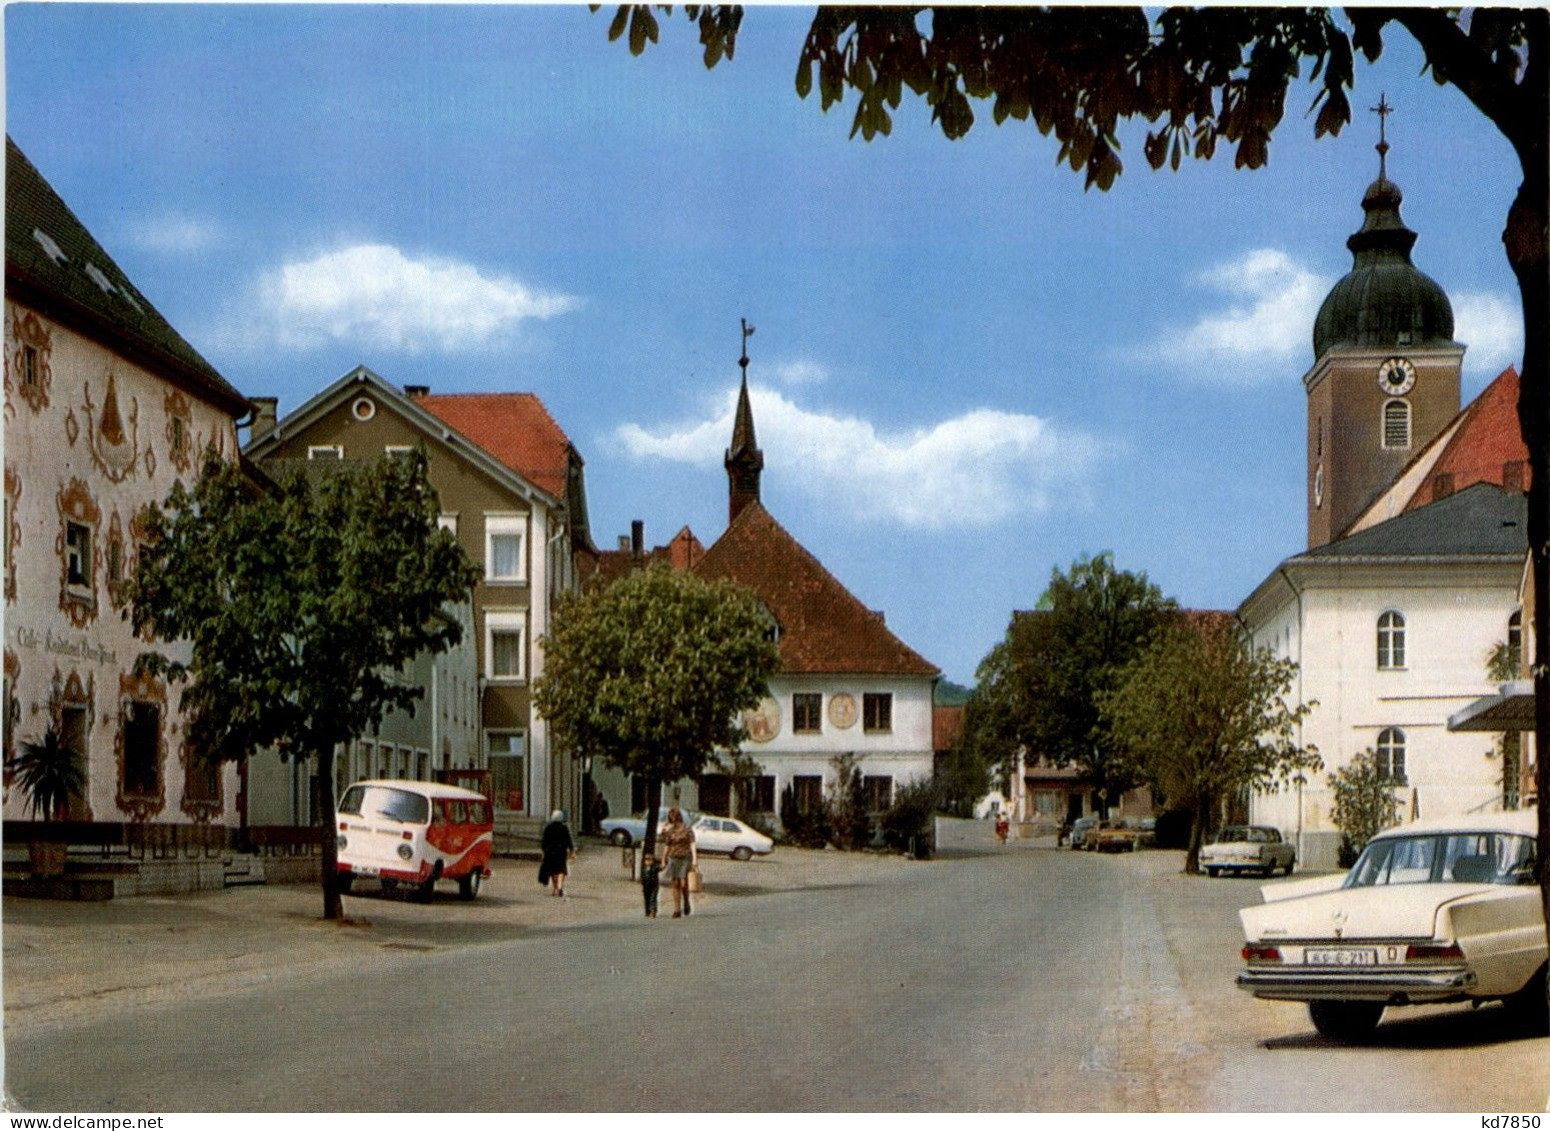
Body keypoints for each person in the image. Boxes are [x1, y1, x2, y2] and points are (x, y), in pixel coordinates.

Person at [659, 807, 697, 918]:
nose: (673, 821)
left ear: (678, 818)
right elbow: (667, 845)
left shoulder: (687, 829)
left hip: (685, 858)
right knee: (675, 883)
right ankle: (677, 909)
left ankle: (686, 901)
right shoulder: (670, 831)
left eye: (674, 818)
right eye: (671, 819)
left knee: (684, 883)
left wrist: (695, 859)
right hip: (674, 857)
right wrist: (663, 859)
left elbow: (692, 844)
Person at [538, 809, 575, 898]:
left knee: (553, 871)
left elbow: (544, 842)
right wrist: (571, 850)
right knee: (562, 869)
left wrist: (543, 852)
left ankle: (555, 889)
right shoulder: (564, 827)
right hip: (561, 852)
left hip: (550, 852)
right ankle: (560, 886)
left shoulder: (548, 828)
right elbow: (568, 840)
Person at [640, 852, 661, 918]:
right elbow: (642, 877)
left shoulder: (654, 868)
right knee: (646, 899)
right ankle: (647, 911)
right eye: (646, 859)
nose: (648, 861)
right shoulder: (644, 868)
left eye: (650, 859)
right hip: (646, 886)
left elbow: (661, 867)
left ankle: (653, 911)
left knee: (653, 899)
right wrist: (642, 883)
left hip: (654, 886)